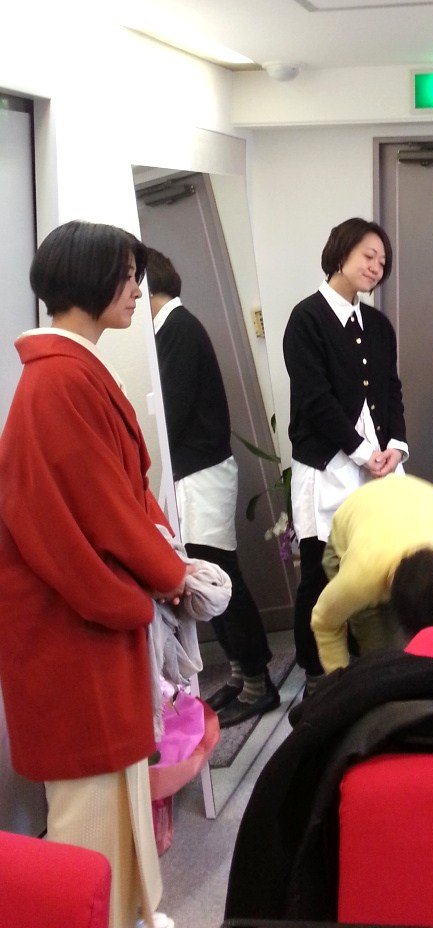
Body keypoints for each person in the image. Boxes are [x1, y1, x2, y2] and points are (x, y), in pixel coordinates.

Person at [0, 220, 188, 928]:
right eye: (128, 276)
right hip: (69, 621)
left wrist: (162, 563)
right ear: (90, 280)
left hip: (90, 610)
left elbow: (120, 495)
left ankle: (126, 909)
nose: (137, 290)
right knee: (88, 790)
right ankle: (88, 915)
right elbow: (104, 508)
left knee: (117, 778)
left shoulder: (69, 372)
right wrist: (167, 574)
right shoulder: (58, 381)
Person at [145, 248, 278, 729]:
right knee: (209, 577)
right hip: (195, 474)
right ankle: (242, 675)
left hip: (202, 475)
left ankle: (259, 682)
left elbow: (173, 414)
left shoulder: (178, 328)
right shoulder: (168, 330)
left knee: (219, 579)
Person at [282, 217, 408, 690]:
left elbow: (391, 390)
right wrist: (360, 451)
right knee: (321, 573)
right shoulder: (306, 318)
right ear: (340, 254)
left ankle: (367, 663)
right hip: (328, 466)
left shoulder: (377, 324)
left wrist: (396, 446)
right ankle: (317, 675)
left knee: (376, 569)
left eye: (382, 261)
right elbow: (314, 399)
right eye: (367, 256)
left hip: (378, 466)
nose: (376, 267)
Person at [311, 474, 433, 672]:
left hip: (413, 504)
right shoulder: (361, 577)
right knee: (386, 660)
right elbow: (324, 622)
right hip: (356, 522)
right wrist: (339, 682)